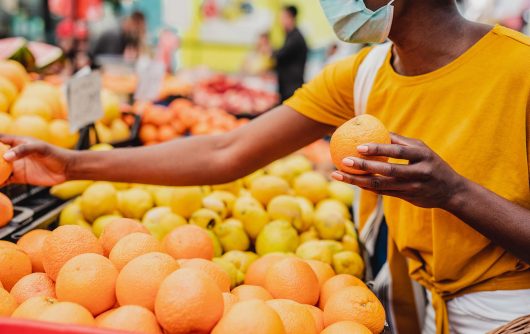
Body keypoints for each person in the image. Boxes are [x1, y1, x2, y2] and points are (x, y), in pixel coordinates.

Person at [2, 0, 530, 333]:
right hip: (407, 310)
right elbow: (224, 153)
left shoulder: (518, 70)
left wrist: (453, 192)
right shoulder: (364, 75)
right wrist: (72, 164)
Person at [272, 5, 308, 102]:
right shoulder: (289, 36)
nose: (280, 21)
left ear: (290, 17)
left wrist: (269, 51)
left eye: (283, 17)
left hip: (292, 85)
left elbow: (281, 54)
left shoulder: (296, 37)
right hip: (287, 84)